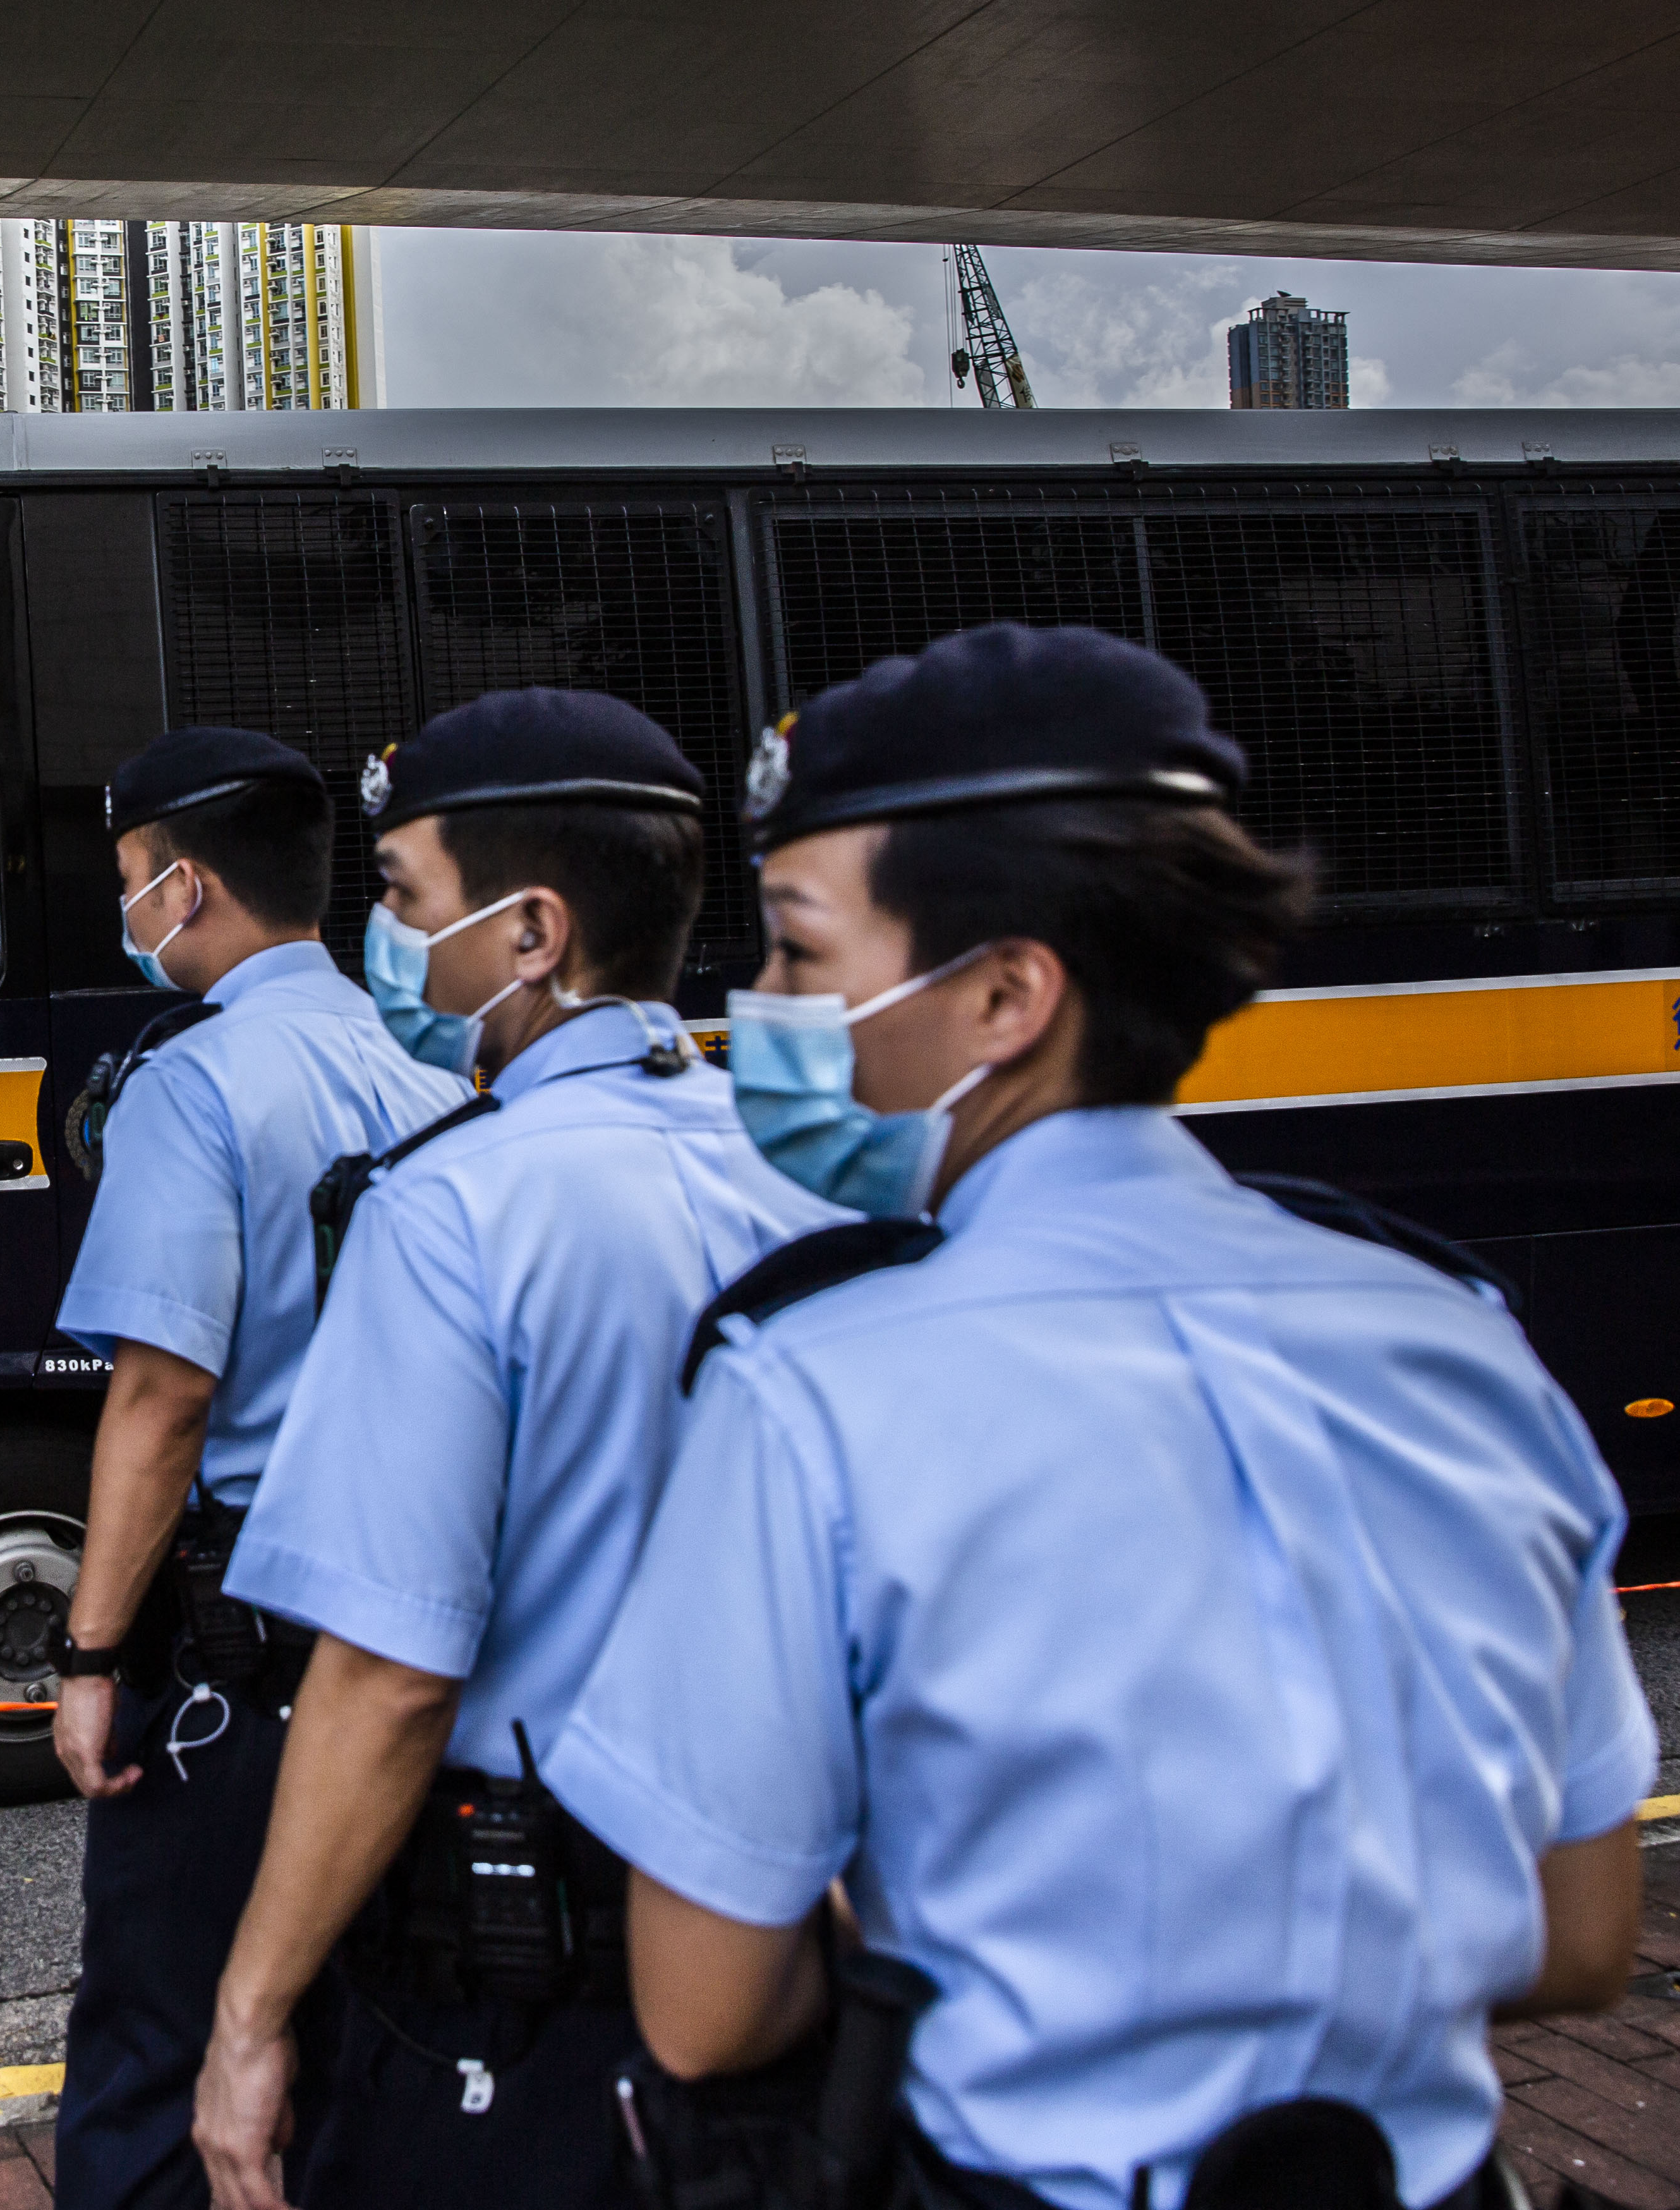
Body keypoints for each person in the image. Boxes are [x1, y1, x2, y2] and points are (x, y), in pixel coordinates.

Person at [540, 623, 1654, 2210]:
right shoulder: (1457, 1335)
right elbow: (1581, 1934)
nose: (762, 1004)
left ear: (1003, 992)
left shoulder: (813, 1391)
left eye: (797, 948)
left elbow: (708, 2012)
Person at [184, 691, 842, 2210]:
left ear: (530, 930)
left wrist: (249, 2013)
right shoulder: (796, 1154)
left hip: (524, 1974)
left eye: (404, 894)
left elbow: (388, 1674)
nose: (384, 936)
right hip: (780, 1955)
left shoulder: (451, 1211)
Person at [49, 725, 471, 2209]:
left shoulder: (194, 1083)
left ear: (184, 885)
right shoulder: (419, 1070)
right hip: (386, 1649)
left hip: (237, 1661)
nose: (127, 910)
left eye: (126, 881)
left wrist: (90, 1647)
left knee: (162, 2060)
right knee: (347, 2054)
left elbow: (162, 1395)